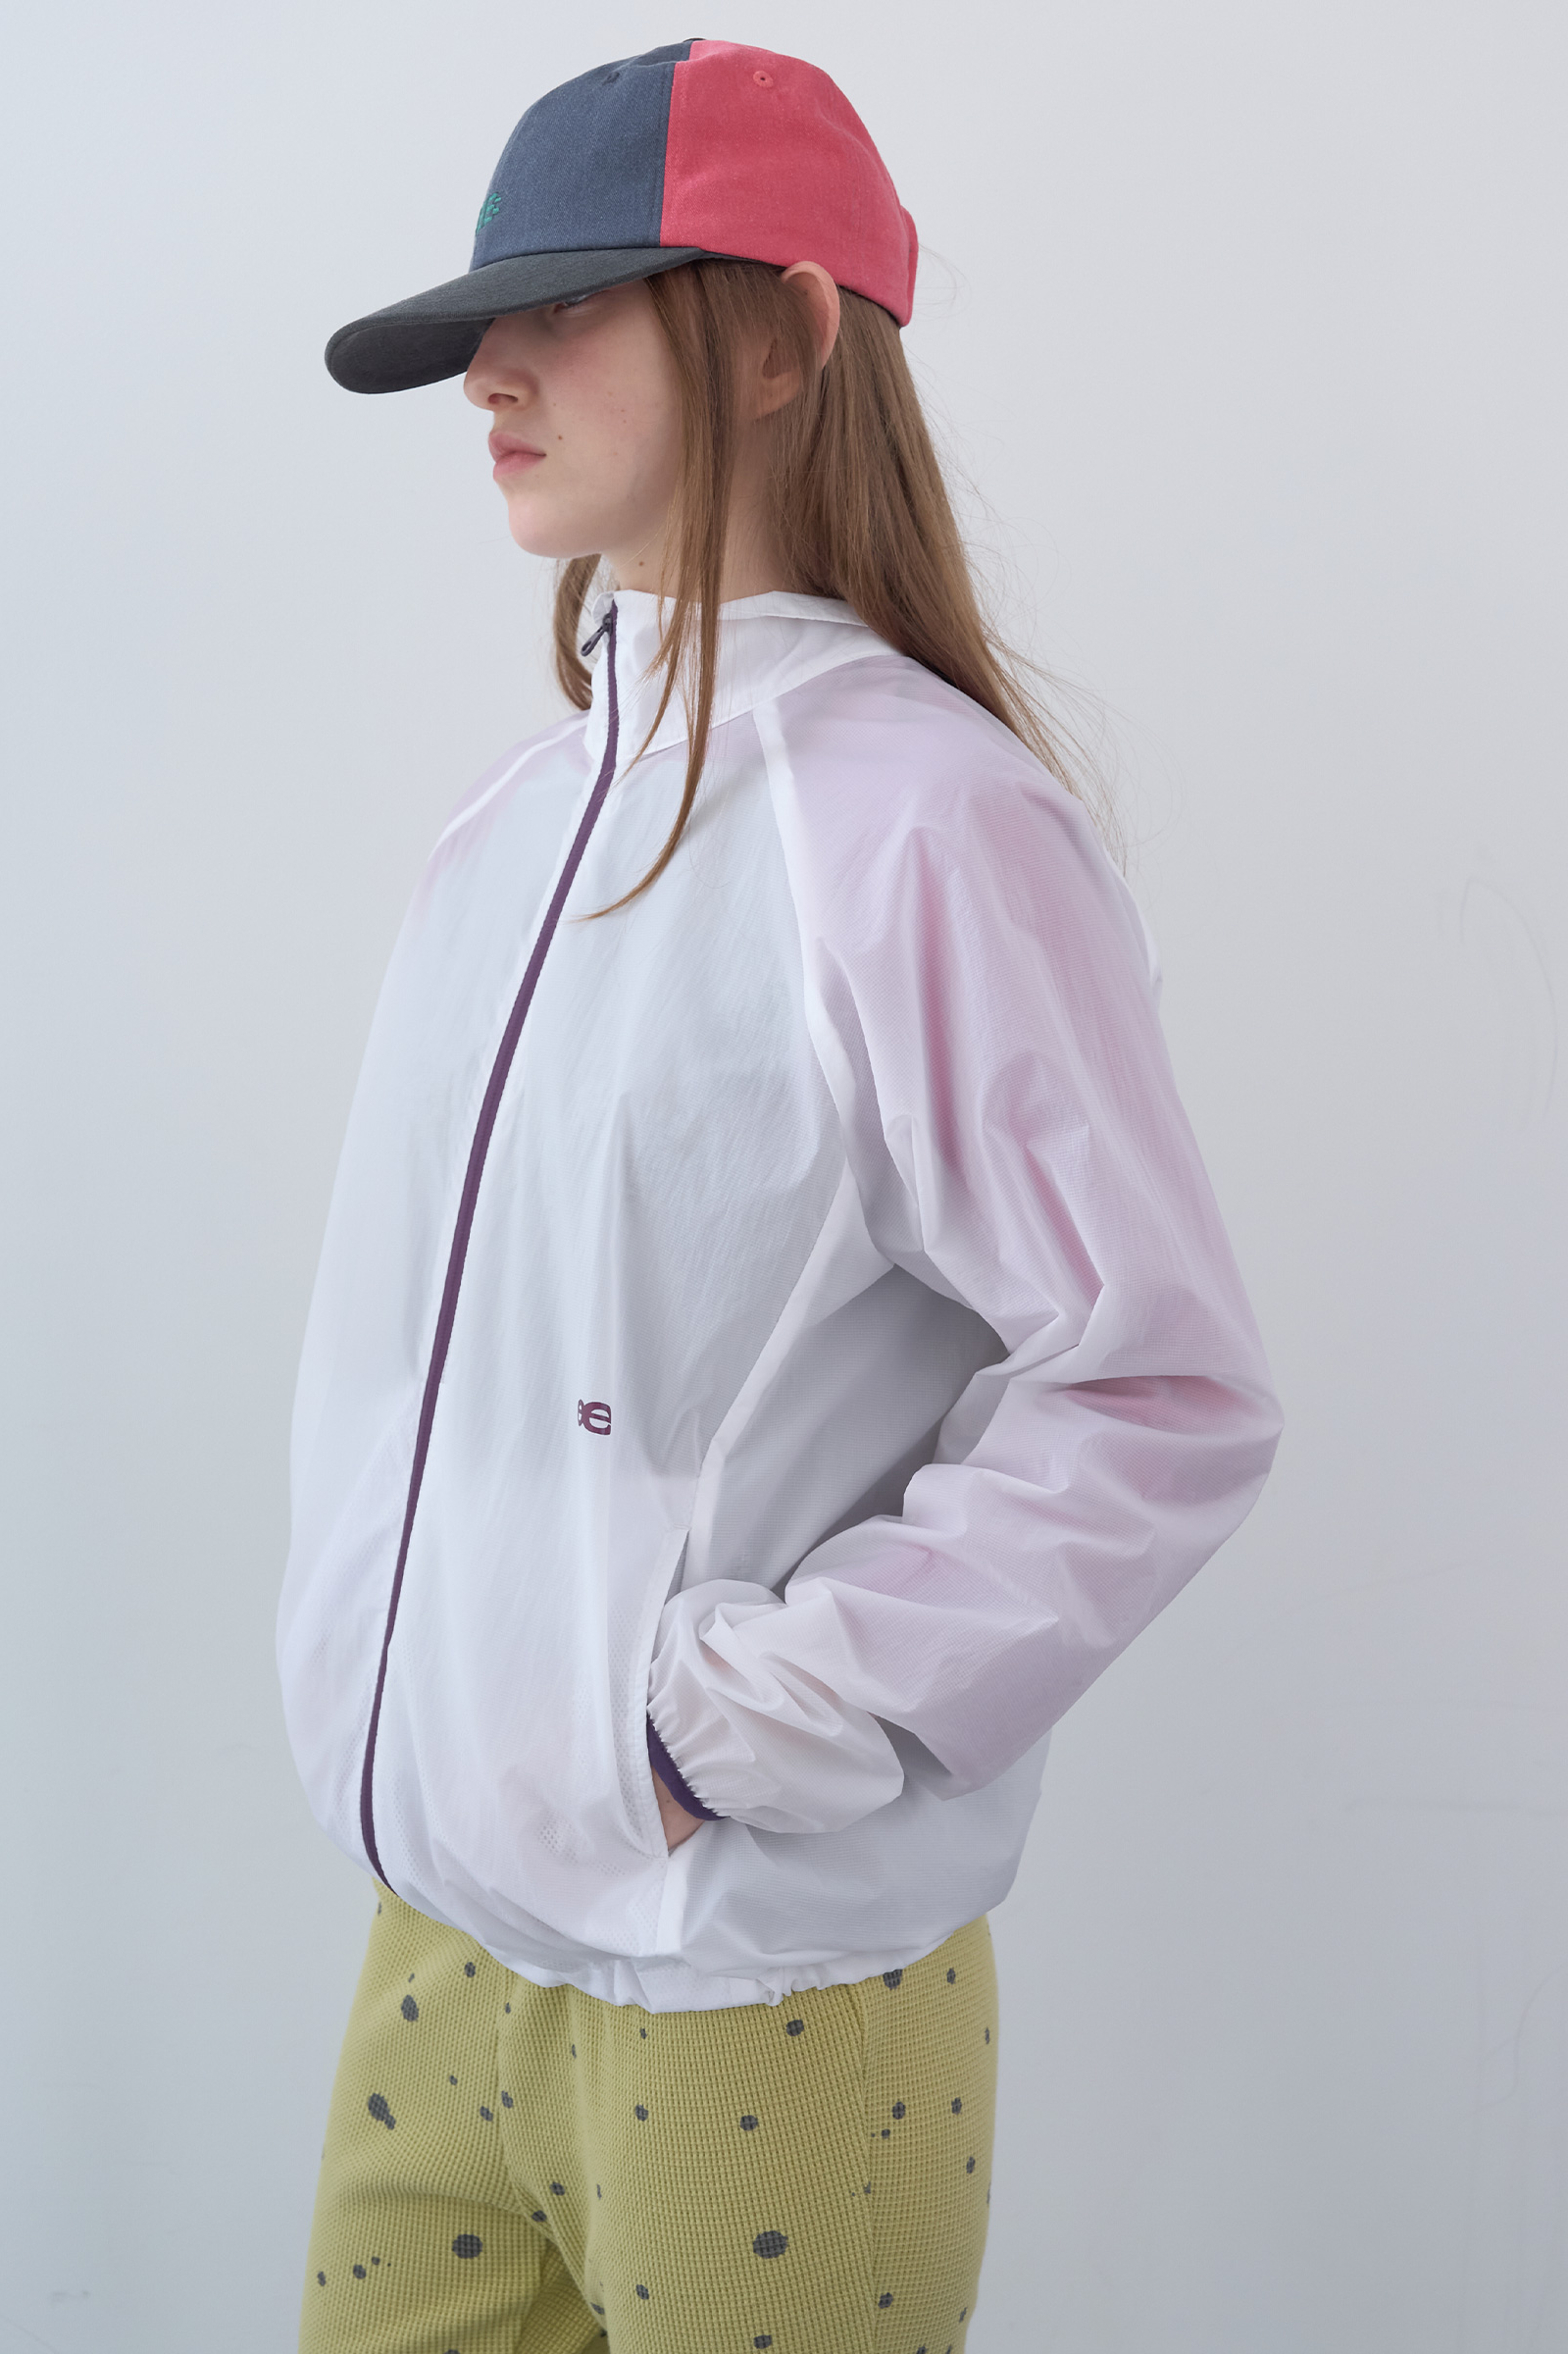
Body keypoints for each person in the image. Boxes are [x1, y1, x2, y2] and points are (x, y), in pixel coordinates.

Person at [279, 38, 1281, 2354]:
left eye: (567, 306)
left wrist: (711, 1731)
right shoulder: (508, 832)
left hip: (760, 1987)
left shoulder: (931, 827)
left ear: (780, 335)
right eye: (481, 324)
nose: (490, 375)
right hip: (437, 1941)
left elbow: (1159, 1392)